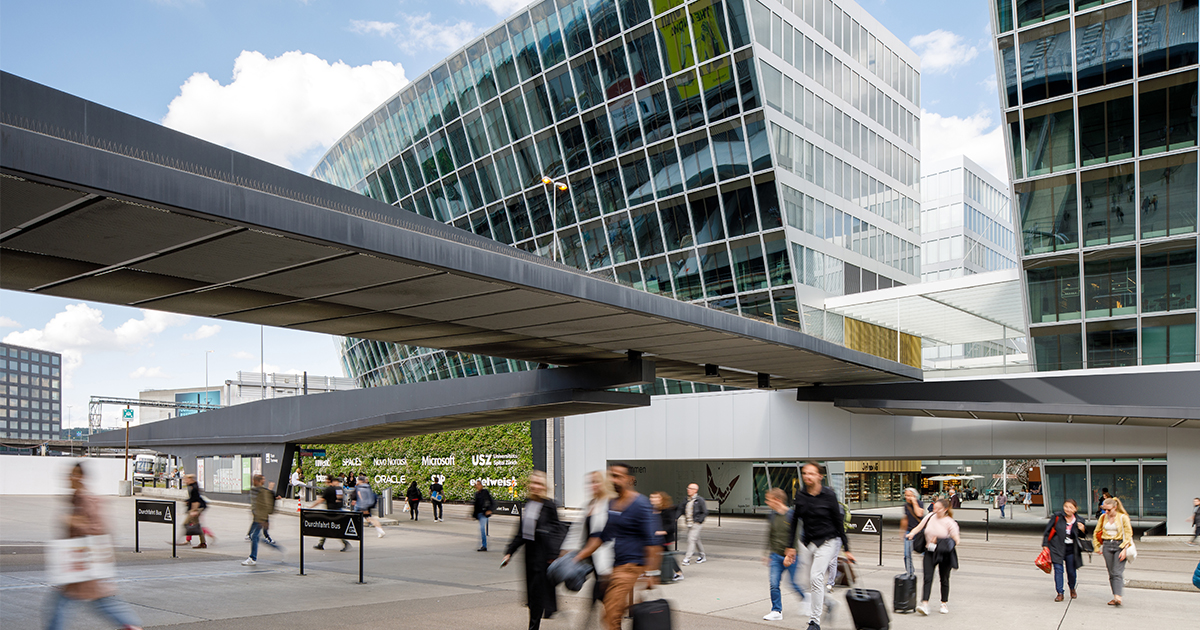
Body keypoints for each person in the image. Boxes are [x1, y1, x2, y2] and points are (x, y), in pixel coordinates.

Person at [46, 463, 144, 630]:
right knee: (101, 602)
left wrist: (72, 521)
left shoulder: (87, 500)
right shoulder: (77, 499)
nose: (69, 478)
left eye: (73, 474)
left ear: (80, 477)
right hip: (79, 563)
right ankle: (131, 626)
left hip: (84, 563)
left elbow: (98, 529)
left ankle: (132, 626)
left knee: (64, 605)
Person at [574, 463, 661, 630]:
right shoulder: (612, 504)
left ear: (629, 479)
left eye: (619, 476)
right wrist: (579, 555)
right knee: (613, 615)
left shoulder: (640, 504)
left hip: (632, 567)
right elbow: (603, 536)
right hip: (618, 567)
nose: (614, 480)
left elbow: (652, 542)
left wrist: (651, 573)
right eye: (612, 476)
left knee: (611, 615)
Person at [783, 462, 855, 630]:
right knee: (808, 582)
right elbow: (794, 521)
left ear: (819, 476)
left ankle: (814, 622)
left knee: (816, 578)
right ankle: (829, 603)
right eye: (804, 473)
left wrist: (847, 548)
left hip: (828, 541)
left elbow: (838, 522)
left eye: (810, 473)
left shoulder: (829, 495)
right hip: (807, 542)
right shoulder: (801, 496)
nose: (807, 476)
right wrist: (790, 547)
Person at [502, 471, 561, 630]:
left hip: (544, 556)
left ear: (544, 487)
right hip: (530, 556)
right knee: (532, 595)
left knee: (537, 596)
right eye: (533, 483)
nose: (536, 487)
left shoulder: (549, 506)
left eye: (539, 484)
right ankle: (543, 613)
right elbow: (521, 532)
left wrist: (553, 554)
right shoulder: (528, 504)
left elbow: (557, 530)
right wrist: (510, 551)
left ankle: (534, 626)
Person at [562, 471, 614, 625]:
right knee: (597, 602)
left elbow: (609, 538)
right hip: (591, 562)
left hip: (604, 564)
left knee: (605, 605)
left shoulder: (609, 504)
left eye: (596, 482)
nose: (593, 486)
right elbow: (577, 531)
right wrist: (566, 551)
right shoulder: (590, 504)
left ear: (604, 484)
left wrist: (609, 568)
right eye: (590, 482)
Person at [907, 498, 960, 615]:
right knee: (927, 577)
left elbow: (956, 540)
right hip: (929, 551)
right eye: (935, 508)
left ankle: (944, 603)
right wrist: (912, 533)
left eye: (939, 509)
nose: (936, 510)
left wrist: (939, 541)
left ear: (945, 509)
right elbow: (919, 527)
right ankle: (925, 604)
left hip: (944, 553)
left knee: (944, 578)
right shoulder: (930, 516)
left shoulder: (950, 522)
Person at [762, 488, 805, 621]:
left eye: (768, 499)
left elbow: (798, 536)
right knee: (774, 583)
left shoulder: (792, 516)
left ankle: (806, 598)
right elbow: (770, 535)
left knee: (793, 583)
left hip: (791, 556)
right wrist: (767, 553)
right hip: (776, 555)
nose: (766, 502)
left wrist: (792, 553)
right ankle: (776, 610)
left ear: (777, 500)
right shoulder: (772, 516)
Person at [1042, 499, 1086, 602]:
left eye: (1071, 507)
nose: (1068, 509)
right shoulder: (1057, 517)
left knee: (1071, 572)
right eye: (1066, 507)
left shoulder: (1079, 520)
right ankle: (1060, 593)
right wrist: (1045, 544)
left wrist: (1082, 529)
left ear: (1075, 509)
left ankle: (1072, 587)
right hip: (1056, 547)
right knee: (1058, 570)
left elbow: (1082, 536)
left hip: (1071, 549)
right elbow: (1047, 531)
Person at [1093, 497, 1133, 606]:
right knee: (1111, 572)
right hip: (1107, 545)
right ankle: (1115, 595)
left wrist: (1124, 549)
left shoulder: (1123, 517)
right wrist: (1097, 546)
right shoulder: (1103, 517)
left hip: (1119, 545)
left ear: (1115, 507)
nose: (1106, 512)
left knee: (1117, 572)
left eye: (1108, 510)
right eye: (1104, 509)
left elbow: (1128, 534)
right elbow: (1096, 531)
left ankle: (1118, 597)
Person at [242, 474, 285, 565]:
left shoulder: (262, 491)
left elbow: (267, 506)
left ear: (257, 481)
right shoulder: (256, 490)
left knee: (255, 537)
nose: (253, 481)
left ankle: (252, 558)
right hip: (258, 518)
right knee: (256, 537)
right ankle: (278, 549)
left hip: (260, 519)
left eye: (254, 480)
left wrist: (265, 520)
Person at [311, 477, 351, 551]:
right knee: (329, 527)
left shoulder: (329, 490)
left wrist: (310, 507)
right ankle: (321, 544)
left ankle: (345, 542)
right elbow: (339, 499)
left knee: (331, 528)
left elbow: (321, 500)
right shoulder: (339, 489)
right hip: (338, 510)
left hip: (331, 512)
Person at [650, 491, 681, 582]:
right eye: (651, 497)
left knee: (666, 554)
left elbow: (672, 525)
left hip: (664, 537)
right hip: (655, 537)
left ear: (661, 499)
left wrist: (663, 531)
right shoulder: (652, 510)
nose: (652, 499)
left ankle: (678, 572)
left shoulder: (668, 510)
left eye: (655, 497)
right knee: (662, 554)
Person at [182, 473, 212, 548]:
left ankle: (199, 542)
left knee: (187, 523)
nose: (185, 481)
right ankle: (202, 542)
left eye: (186, 479)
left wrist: (194, 511)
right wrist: (188, 501)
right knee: (196, 525)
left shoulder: (194, 487)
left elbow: (196, 501)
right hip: (196, 508)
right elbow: (193, 498)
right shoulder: (192, 486)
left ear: (190, 480)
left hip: (196, 508)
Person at [900, 487, 925, 576]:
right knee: (907, 554)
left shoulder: (920, 503)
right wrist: (902, 531)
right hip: (909, 532)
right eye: (906, 495)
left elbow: (919, 513)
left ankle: (928, 569)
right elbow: (906, 518)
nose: (907, 497)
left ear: (914, 496)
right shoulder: (906, 506)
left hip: (920, 532)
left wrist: (914, 502)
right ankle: (910, 572)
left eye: (909, 495)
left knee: (924, 553)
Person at [681, 482, 707, 566]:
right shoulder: (687, 499)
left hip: (696, 523)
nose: (688, 490)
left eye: (690, 489)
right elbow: (682, 508)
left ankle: (687, 558)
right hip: (689, 523)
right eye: (688, 488)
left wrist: (699, 520)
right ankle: (702, 555)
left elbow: (704, 512)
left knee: (691, 540)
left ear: (695, 490)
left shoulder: (699, 500)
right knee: (696, 540)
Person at [473, 479, 495, 551]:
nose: (478, 486)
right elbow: (475, 505)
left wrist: (490, 510)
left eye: (479, 484)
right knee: (481, 529)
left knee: (482, 528)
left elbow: (491, 501)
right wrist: (473, 515)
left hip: (484, 513)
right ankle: (483, 544)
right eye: (477, 485)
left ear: (481, 485)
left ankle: (484, 546)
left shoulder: (485, 492)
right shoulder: (476, 494)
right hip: (479, 513)